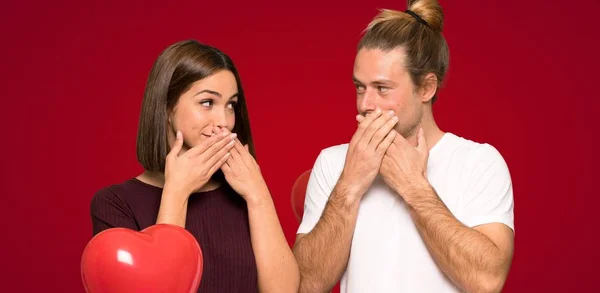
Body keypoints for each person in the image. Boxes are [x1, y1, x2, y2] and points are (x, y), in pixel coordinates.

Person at [293, 1, 515, 292]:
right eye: (360, 87)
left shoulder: (478, 163)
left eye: (382, 88)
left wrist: (414, 188)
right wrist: (349, 186)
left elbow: (486, 281)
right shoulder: (333, 162)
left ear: (426, 88)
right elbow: (305, 285)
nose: (365, 104)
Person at [90, 40, 299, 293]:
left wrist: (259, 196)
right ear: (167, 107)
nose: (224, 121)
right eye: (208, 102)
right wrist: (176, 193)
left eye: (231, 105)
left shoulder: (243, 193)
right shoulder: (114, 204)